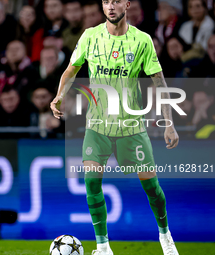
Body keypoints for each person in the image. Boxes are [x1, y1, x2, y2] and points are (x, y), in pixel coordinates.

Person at [50, 1, 180, 254]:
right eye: (106, 1)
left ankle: (165, 236)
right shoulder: (90, 36)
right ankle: (103, 246)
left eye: (116, 1)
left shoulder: (142, 41)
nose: (110, 6)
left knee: (152, 188)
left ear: (127, 4)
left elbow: (160, 83)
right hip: (97, 126)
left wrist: (169, 123)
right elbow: (71, 70)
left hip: (131, 127)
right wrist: (58, 95)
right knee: (91, 182)